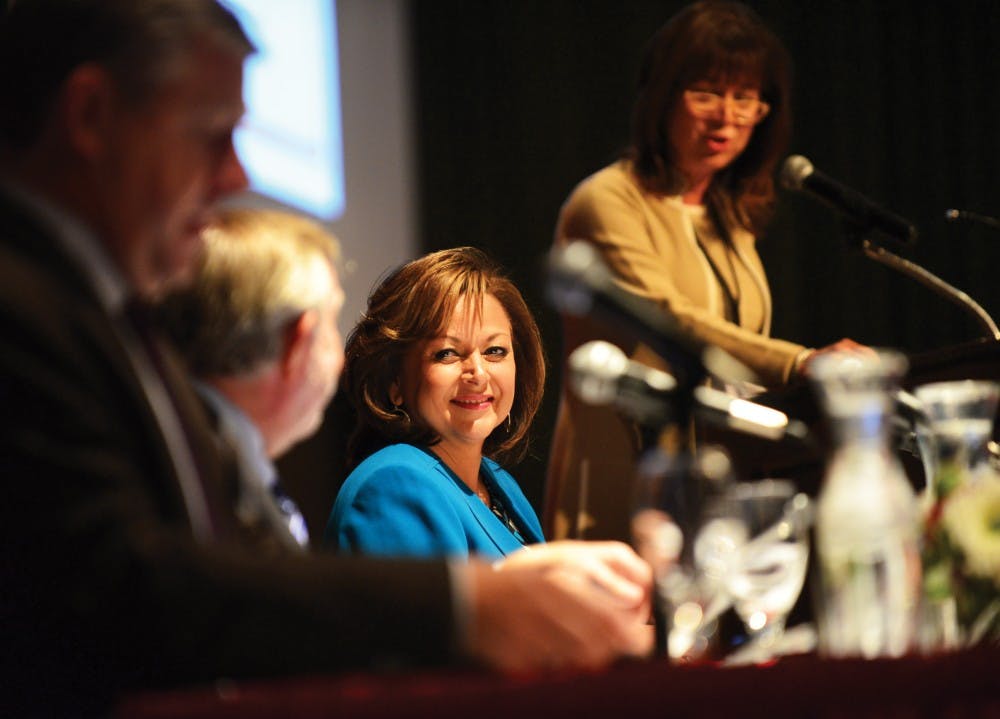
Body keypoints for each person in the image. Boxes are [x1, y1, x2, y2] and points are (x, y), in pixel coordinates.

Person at [0, 2, 651, 715]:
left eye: (495, 350)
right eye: (210, 135)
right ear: (91, 114)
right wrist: (467, 605)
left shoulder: (112, 325)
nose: (234, 173)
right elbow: (126, 587)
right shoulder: (24, 309)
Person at [545, 0, 866, 543]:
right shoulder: (606, 202)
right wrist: (801, 362)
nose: (727, 116)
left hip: (723, 479)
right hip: (629, 477)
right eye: (707, 94)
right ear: (661, 97)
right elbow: (672, 321)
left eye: (746, 99)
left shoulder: (728, 214)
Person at [326, 247, 547, 559]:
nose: (479, 374)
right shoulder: (394, 486)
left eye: (494, 351)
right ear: (395, 383)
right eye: (447, 353)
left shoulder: (500, 483)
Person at [157, 207, 347, 550]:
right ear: (297, 344)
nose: (342, 360)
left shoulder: (186, 447)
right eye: (332, 322)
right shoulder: (208, 484)